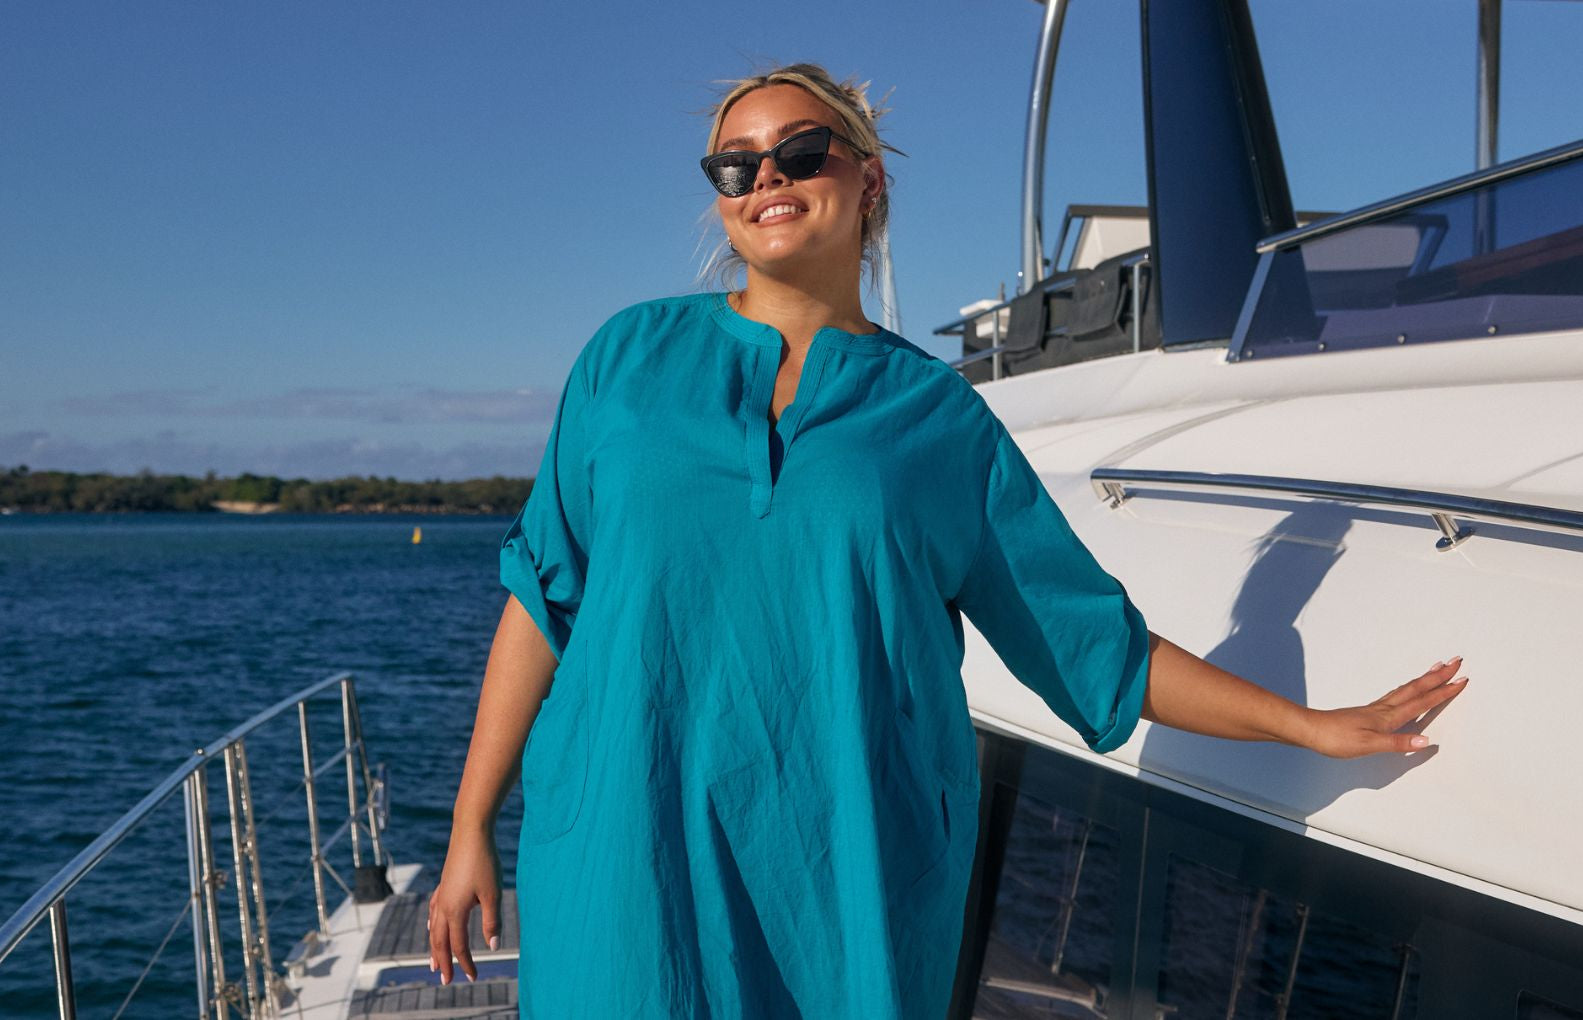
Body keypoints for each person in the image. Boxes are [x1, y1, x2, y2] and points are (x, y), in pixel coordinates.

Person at [425, 62, 1469, 1019]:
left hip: (838, 892)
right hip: (624, 864)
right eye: (737, 164)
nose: (767, 178)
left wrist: (1308, 726)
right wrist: (471, 824)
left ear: (866, 180)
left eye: (800, 151)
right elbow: (541, 600)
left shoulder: (940, 423)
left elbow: (1093, 650)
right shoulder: (626, 362)